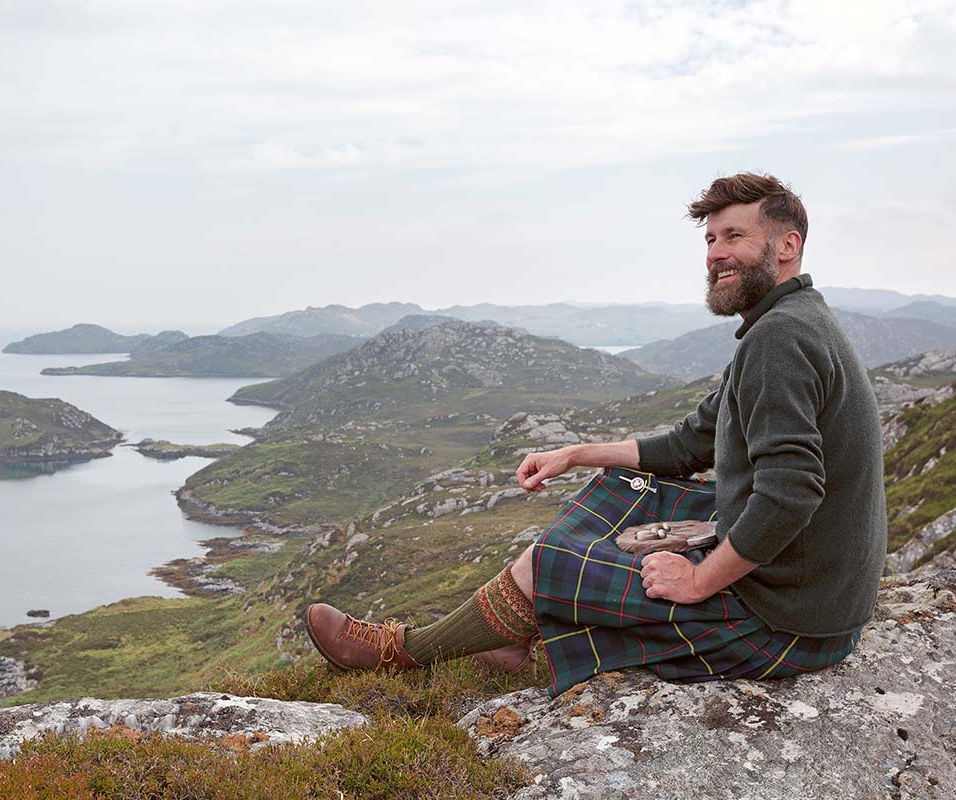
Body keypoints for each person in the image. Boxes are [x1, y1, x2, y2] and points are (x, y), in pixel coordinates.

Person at [305, 173, 887, 693]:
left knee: (551, 562)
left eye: (734, 236)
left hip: (786, 619)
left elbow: (792, 490)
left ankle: (401, 652)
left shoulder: (778, 339)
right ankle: (506, 637)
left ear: (786, 246)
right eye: (710, 240)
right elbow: (690, 444)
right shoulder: (789, 322)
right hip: (812, 596)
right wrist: (575, 454)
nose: (716, 254)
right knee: (623, 487)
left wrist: (699, 579)